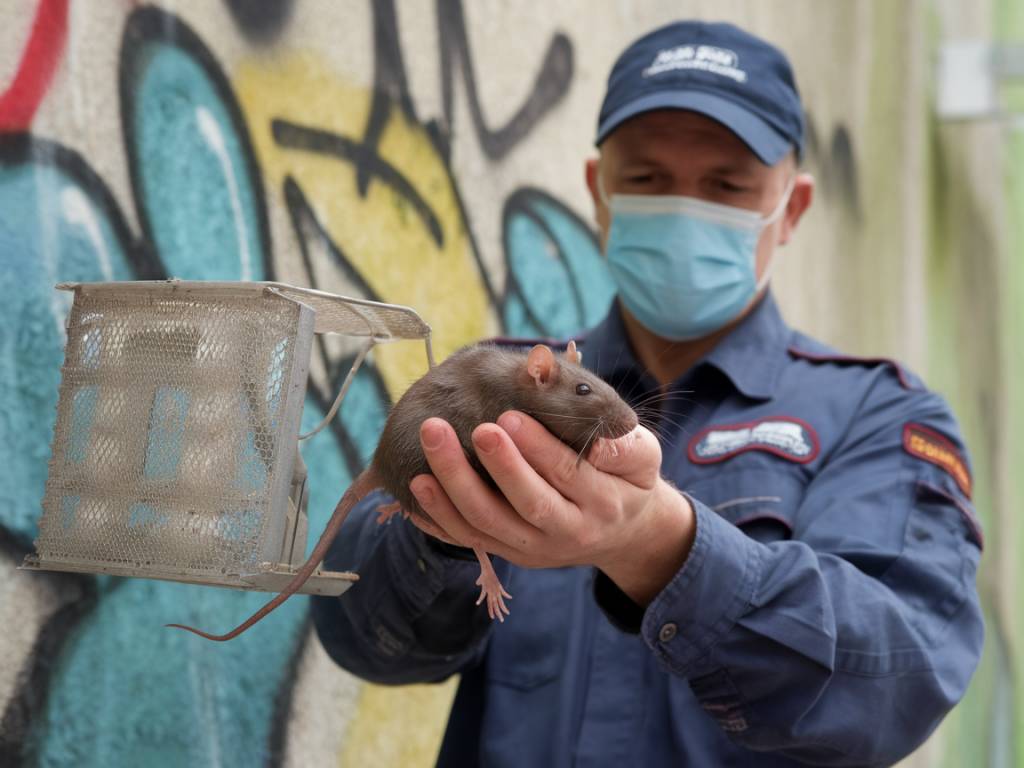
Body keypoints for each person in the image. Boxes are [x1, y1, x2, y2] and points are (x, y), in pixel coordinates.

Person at [312, 20, 983, 767]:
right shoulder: (498, 382)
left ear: (790, 209)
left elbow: (902, 679)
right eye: (647, 179)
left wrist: (662, 546)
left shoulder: (877, 416)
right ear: (599, 192)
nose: (683, 208)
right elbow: (361, 639)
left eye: (726, 184)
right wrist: (443, 523)